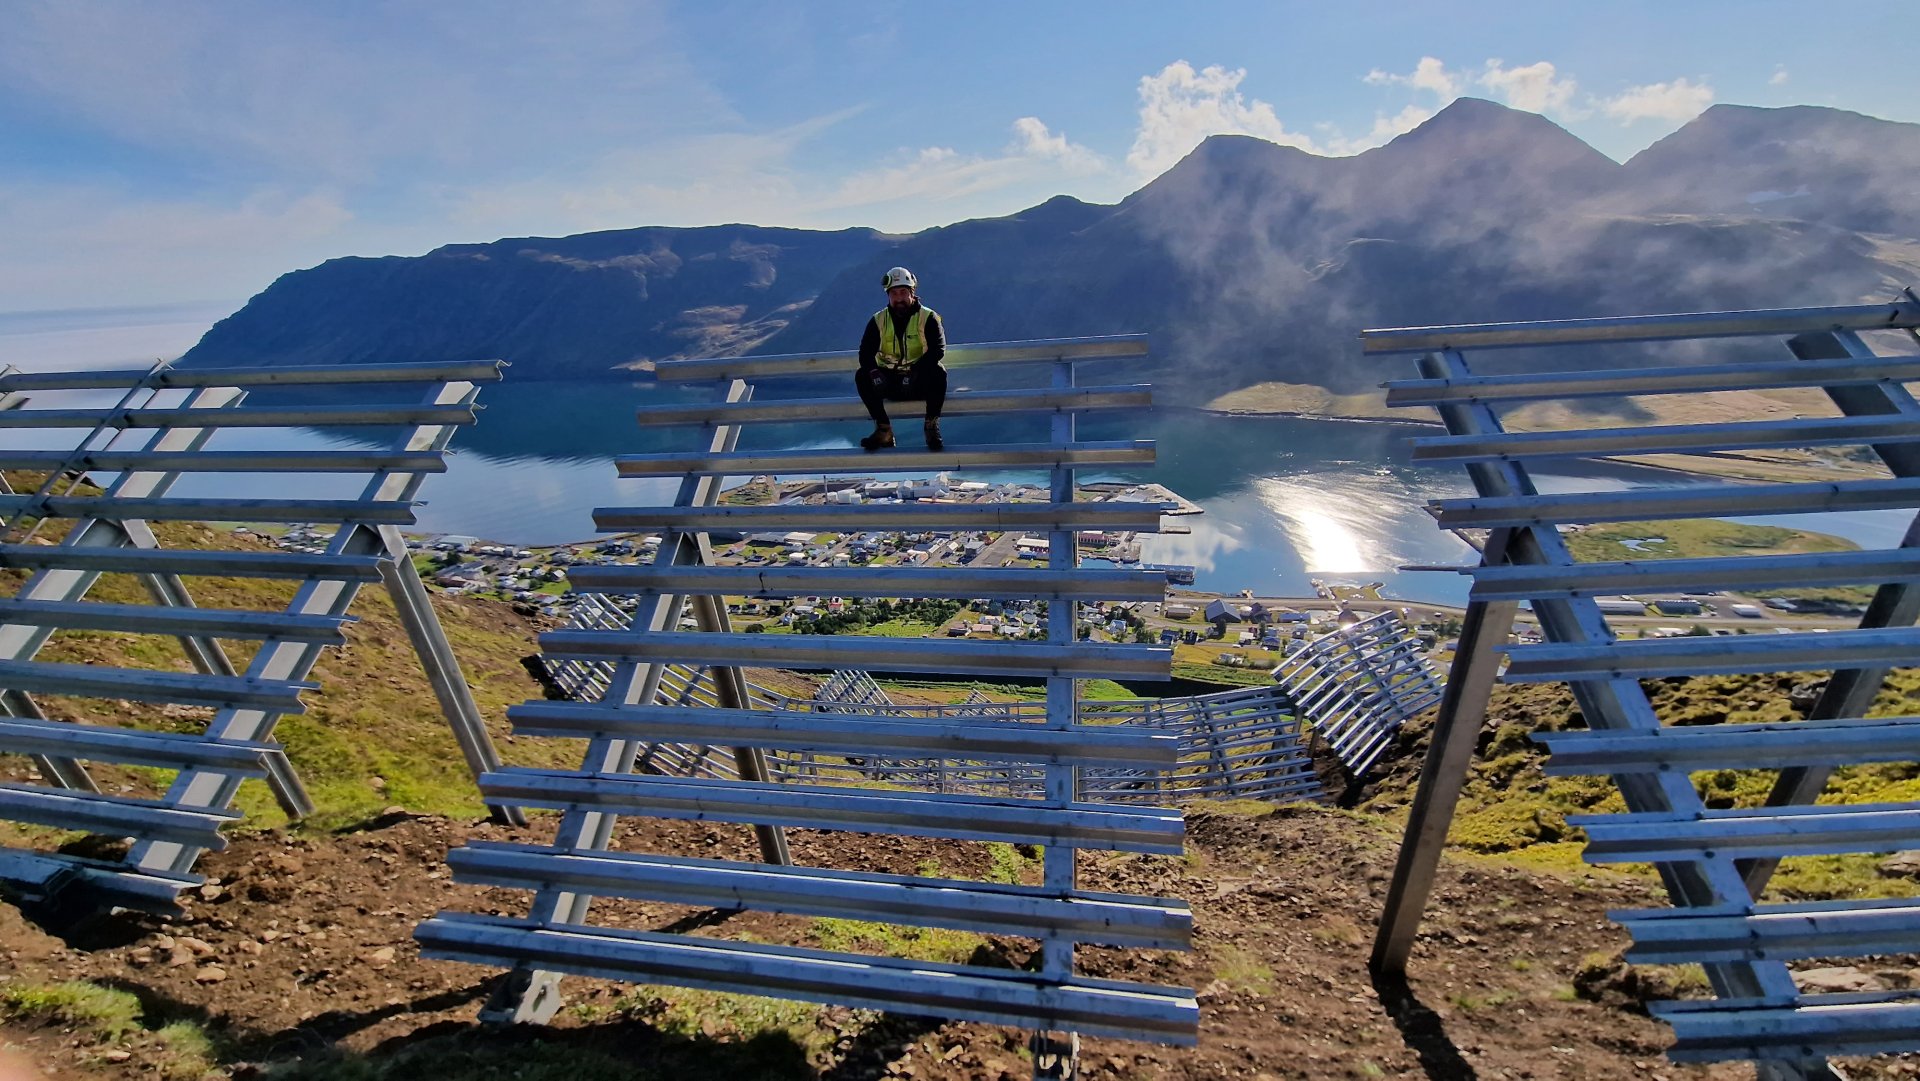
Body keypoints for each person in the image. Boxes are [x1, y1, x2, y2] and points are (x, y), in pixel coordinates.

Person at [856, 266, 946, 451]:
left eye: (903, 292)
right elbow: (865, 353)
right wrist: (874, 372)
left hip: (917, 381)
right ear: (888, 295)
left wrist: (915, 372)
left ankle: (931, 426)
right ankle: (884, 430)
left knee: (938, 373)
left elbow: (938, 350)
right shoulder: (878, 320)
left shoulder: (928, 318)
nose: (899, 298)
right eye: (894, 293)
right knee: (861, 376)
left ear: (912, 293)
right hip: (889, 382)